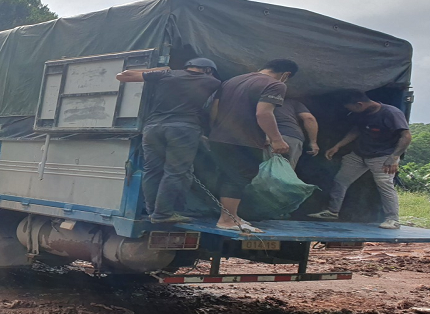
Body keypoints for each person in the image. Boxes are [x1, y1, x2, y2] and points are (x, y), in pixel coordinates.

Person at [116, 58, 221, 223]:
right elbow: (214, 108)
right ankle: (163, 214)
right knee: (175, 171)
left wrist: (161, 70)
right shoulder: (213, 82)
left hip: (152, 128)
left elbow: (122, 76)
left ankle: (153, 212)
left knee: (152, 171)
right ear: (208, 70)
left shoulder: (165, 74)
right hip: (183, 128)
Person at [208, 59, 300, 233]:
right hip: (244, 140)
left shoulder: (232, 81)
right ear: (286, 75)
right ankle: (226, 220)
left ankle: (231, 215)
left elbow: (215, 107)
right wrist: (276, 139)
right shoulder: (275, 85)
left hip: (219, 137)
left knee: (226, 175)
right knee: (238, 177)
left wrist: (214, 130)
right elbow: (263, 113)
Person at [309, 91, 411, 229]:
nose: (349, 111)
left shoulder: (391, 113)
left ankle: (393, 219)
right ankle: (332, 212)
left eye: (350, 108)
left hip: (382, 156)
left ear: (359, 104)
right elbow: (356, 130)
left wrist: (393, 157)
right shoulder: (361, 114)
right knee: (340, 181)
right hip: (359, 154)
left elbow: (406, 136)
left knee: (385, 185)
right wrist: (338, 146)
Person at [274, 98, 319, 169]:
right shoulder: (293, 102)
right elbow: (309, 118)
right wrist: (313, 142)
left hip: (273, 136)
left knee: (266, 168)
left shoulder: (262, 101)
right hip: (294, 137)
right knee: (286, 171)